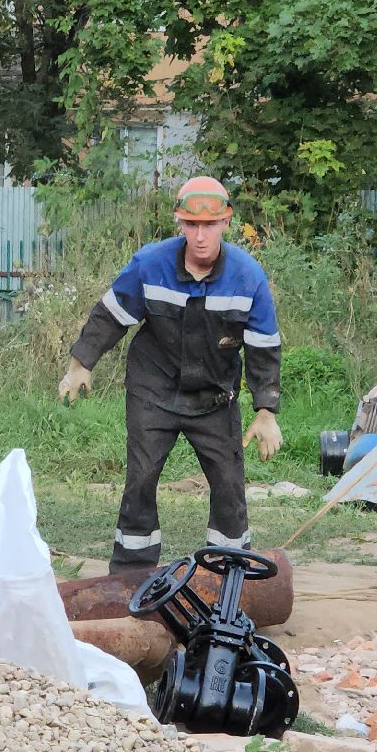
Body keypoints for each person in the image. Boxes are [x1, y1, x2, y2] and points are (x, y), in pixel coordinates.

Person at [59, 176, 284, 573]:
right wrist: (81, 364)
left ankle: (228, 574)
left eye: (209, 225)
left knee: (229, 487)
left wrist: (266, 412)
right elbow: (110, 316)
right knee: (141, 480)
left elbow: (264, 348)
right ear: (180, 224)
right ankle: (131, 575)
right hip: (153, 391)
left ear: (226, 223)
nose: (200, 236)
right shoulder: (150, 264)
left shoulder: (248, 276)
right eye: (191, 225)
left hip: (214, 399)